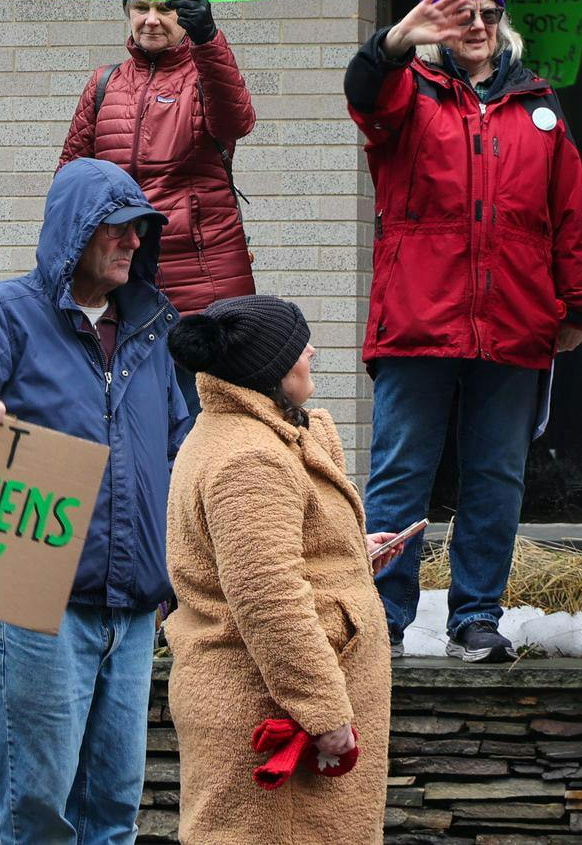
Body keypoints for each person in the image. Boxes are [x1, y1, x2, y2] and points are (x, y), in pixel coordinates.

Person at [0, 158, 190, 844]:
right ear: (78, 231)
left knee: (114, 816)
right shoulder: (6, 312)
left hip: (132, 613)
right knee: (40, 816)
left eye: (141, 231)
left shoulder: (155, 326)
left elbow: (184, 448)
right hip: (42, 604)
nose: (134, 242)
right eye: (119, 229)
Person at [343, 0, 582, 664]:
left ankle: (477, 616)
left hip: (515, 326)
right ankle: (383, 619)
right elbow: (364, 89)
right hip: (418, 323)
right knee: (400, 475)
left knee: (495, 478)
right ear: (436, 23)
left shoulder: (539, 105)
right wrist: (397, 40)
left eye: (488, 13)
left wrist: (575, 307)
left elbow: (568, 214)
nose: (478, 25)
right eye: (461, 15)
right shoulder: (405, 96)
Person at [162, 295, 394, 844]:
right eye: (299, 345)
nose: (311, 351)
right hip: (271, 711)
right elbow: (269, 602)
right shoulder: (250, 457)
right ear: (272, 368)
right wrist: (324, 713)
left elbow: (262, 559)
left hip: (274, 700)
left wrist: (349, 553)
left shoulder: (249, 435)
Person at [57, 0, 257, 313]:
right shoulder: (104, 83)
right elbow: (70, 178)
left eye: (165, 8)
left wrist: (208, 40)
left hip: (207, 276)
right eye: (141, 7)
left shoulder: (205, 75)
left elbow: (237, 123)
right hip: (123, 275)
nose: (151, 20)